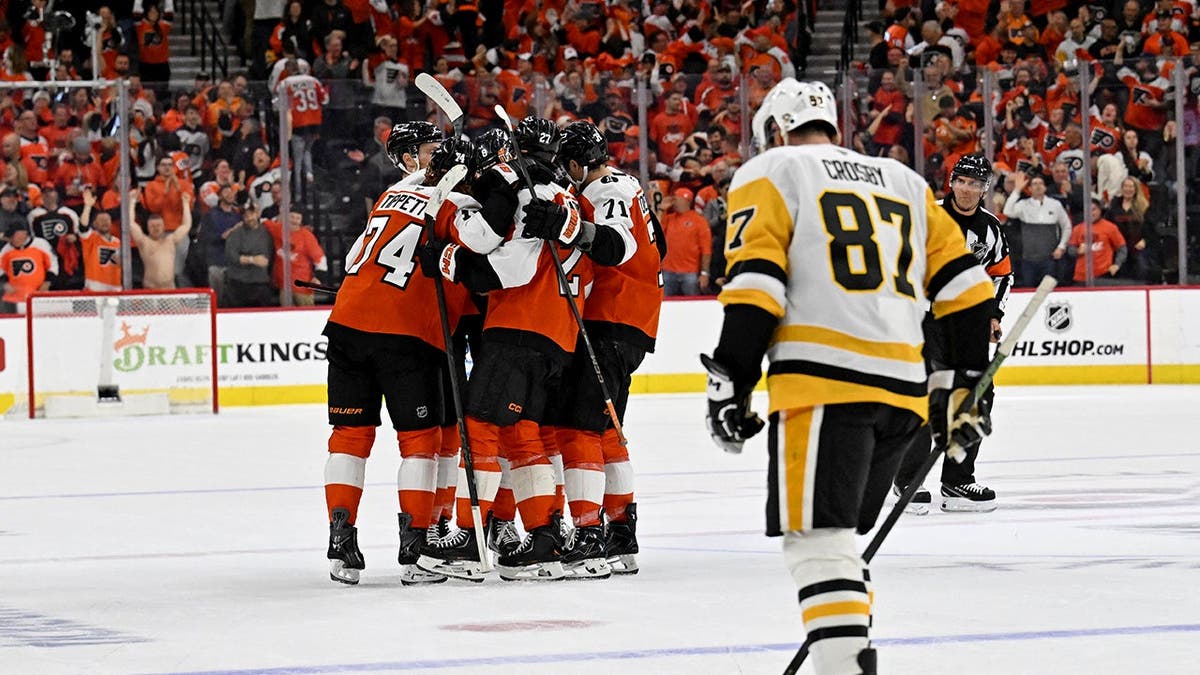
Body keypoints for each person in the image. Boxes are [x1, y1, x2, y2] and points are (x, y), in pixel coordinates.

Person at [702, 79, 995, 674]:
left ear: (777, 129)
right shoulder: (906, 182)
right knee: (839, 546)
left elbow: (757, 281)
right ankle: (848, 653)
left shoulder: (774, 170)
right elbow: (968, 290)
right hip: (904, 391)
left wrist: (731, 377)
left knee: (818, 543)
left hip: (824, 383)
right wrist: (960, 383)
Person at [416, 116, 590, 582]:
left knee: (479, 427)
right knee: (524, 436)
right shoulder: (562, 194)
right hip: (557, 334)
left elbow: (503, 263)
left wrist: (446, 254)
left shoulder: (516, 183)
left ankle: (472, 541)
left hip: (518, 327)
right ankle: (544, 538)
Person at [321, 127, 475, 587]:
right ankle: (415, 552)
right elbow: (482, 248)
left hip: (347, 321)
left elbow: (356, 260)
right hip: (406, 334)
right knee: (421, 442)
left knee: (349, 435)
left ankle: (340, 545)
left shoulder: (390, 195)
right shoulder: (458, 203)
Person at [522, 121, 666, 576]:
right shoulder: (629, 184)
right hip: (632, 321)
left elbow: (617, 246)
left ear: (575, 163)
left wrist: (567, 225)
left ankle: (587, 535)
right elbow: (655, 243)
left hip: (611, 320)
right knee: (606, 432)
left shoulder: (604, 189)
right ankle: (622, 535)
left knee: (577, 428)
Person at [893, 155, 1013, 514]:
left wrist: (993, 312)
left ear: (984, 189)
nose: (967, 188)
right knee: (925, 393)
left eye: (976, 183)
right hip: (925, 318)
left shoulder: (990, 228)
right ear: (951, 182)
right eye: (962, 181)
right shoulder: (928, 216)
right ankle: (907, 478)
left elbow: (1002, 273)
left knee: (976, 393)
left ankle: (957, 481)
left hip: (968, 321)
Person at [1003, 172, 1071, 287]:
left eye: (1040, 183)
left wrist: (1061, 246)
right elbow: (1007, 211)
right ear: (1029, 188)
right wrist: (1017, 190)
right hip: (1028, 259)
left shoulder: (1055, 204)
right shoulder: (1023, 205)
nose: (1038, 186)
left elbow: (1066, 226)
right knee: (1028, 291)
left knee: (1047, 291)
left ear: (1045, 187)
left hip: (1049, 258)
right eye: (1034, 184)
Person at [129, 190, 192, 290]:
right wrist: (132, 202)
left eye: (158, 225)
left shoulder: (171, 240)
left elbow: (186, 225)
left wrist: (185, 204)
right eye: (152, 226)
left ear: (163, 227)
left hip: (170, 289)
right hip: (150, 289)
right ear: (148, 228)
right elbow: (131, 224)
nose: (156, 228)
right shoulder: (144, 242)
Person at [264, 209, 328, 306]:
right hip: (284, 287)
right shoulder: (277, 229)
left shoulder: (307, 236)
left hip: (302, 288)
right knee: (286, 318)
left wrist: (318, 277)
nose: (294, 220)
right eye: (292, 217)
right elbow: (263, 221)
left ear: (301, 220)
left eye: (297, 218)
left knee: (306, 318)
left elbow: (320, 258)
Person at [659, 187, 711, 296]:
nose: (674, 203)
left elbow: (706, 249)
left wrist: (704, 273)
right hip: (668, 271)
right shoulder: (668, 218)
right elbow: (654, 231)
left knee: (692, 305)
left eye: (676, 199)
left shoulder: (699, 221)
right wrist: (661, 210)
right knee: (664, 305)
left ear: (686, 201)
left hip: (690, 272)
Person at [222, 202, 275, 307]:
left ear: (258, 214)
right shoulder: (236, 233)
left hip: (260, 283)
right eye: (246, 215)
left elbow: (269, 257)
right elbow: (231, 256)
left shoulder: (267, 233)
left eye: (252, 214)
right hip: (238, 283)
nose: (249, 217)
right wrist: (252, 259)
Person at [1068, 197, 1128, 285]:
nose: (1091, 213)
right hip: (1081, 276)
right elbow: (1070, 250)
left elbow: (1122, 248)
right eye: (1088, 210)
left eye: (1093, 209)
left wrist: (1117, 265)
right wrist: (1077, 251)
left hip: (1103, 275)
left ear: (1100, 210)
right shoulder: (1078, 228)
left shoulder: (1110, 227)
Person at [0, 224, 57, 314]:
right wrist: (5, 283)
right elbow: (1, 269)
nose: (10, 240)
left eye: (12, 236)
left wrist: (47, 282)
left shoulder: (40, 244)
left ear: (23, 234)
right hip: (14, 298)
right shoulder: (6, 249)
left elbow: (53, 265)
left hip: (38, 295)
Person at [77, 189, 122, 292]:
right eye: (101, 220)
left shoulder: (118, 242)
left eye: (107, 220)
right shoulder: (91, 238)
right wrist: (87, 207)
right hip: (94, 288)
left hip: (115, 288)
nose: (104, 222)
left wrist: (121, 262)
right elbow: (83, 227)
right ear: (95, 224)